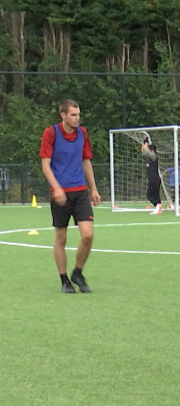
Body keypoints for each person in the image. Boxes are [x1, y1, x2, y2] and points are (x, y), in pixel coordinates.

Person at [39, 99, 101, 293]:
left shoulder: (82, 133)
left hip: (80, 191)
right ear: (63, 115)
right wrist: (56, 188)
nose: (77, 118)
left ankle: (78, 272)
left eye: (78, 115)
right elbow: (45, 164)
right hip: (60, 194)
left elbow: (86, 161)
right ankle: (64, 280)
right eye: (73, 115)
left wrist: (94, 188)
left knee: (88, 234)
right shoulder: (51, 133)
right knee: (61, 238)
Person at [142, 138, 162, 214]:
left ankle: (158, 208)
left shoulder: (154, 157)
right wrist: (144, 142)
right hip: (151, 180)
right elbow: (143, 151)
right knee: (149, 195)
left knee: (155, 195)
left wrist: (146, 141)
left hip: (155, 179)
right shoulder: (149, 158)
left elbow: (145, 150)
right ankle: (158, 207)